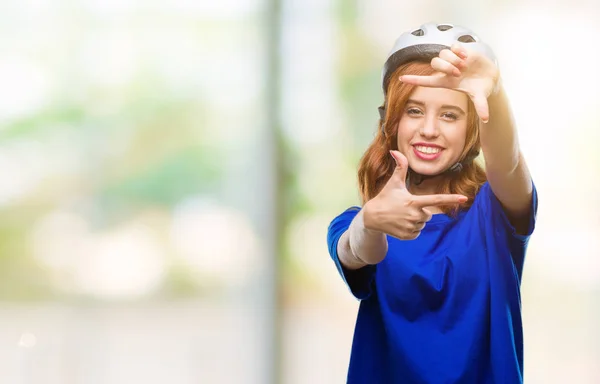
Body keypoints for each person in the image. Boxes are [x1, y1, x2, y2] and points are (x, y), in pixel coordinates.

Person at [326, 22, 538, 383]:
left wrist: (495, 91)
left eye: (449, 115)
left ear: (473, 129)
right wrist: (369, 222)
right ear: (391, 120)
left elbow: (508, 161)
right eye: (413, 110)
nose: (429, 129)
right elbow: (359, 251)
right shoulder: (359, 221)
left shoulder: (496, 213)